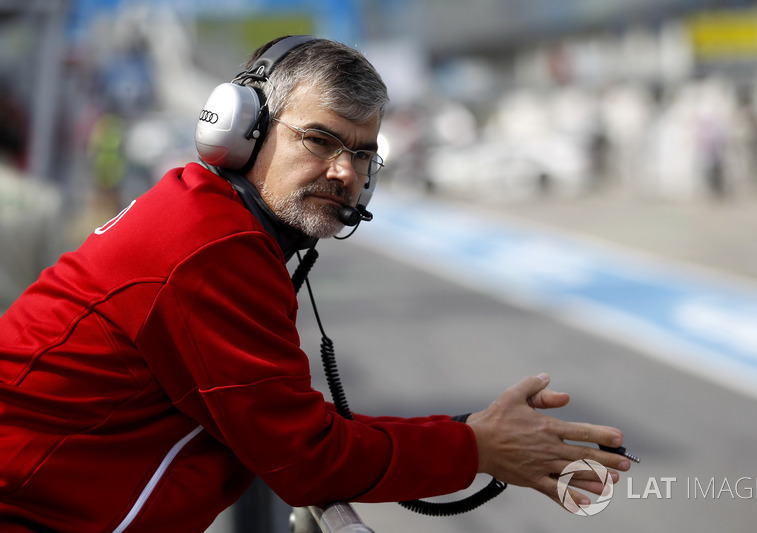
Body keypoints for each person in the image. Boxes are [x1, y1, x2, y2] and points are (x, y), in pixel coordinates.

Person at [0, 36, 630, 532]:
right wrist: (476, 448)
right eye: (320, 140)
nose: (344, 172)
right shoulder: (213, 248)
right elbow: (304, 459)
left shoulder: (203, 215)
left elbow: (290, 431)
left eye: (362, 154)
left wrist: (471, 432)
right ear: (241, 131)